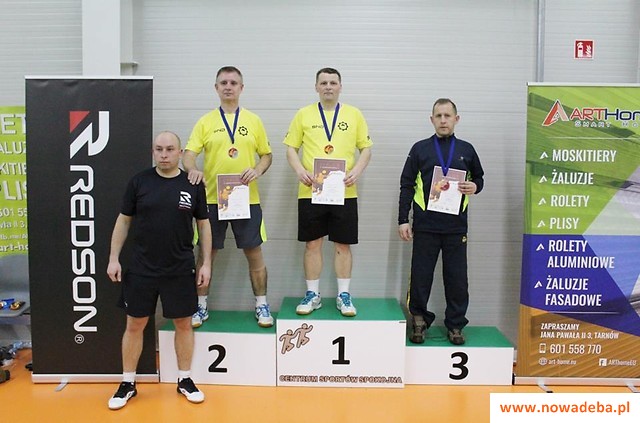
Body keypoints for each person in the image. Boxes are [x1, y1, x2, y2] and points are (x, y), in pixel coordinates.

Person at [106, 131, 212, 410]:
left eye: (170, 149)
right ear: (153, 151)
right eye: (159, 149)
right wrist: (113, 258)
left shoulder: (192, 184)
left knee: (183, 324)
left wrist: (206, 263)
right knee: (135, 324)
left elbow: (203, 225)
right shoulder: (139, 182)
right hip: (142, 269)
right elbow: (123, 221)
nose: (164, 154)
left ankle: (184, 379)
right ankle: (128, 383)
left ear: (180, 153)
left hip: (180, 268)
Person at [183, 66, 274, 328]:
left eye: (233, 83)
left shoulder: (253, 121)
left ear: (241, 88)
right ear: (216, 88)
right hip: (212, 200)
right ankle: (200, 306)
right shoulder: (205, 122)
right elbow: (188, 155)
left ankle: (262, 305)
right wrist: (193, 169)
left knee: (254, 252)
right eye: (223, 82)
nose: (228, 87)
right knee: (206, 254)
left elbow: (267, 155)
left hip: (246, 200)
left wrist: (257, 170)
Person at [284, 67, 372, 317]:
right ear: (316, 87)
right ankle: (313, 294)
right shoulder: (303, 114)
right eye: (323, 83)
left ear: (340, 86)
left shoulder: (354, 114)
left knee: (343, 244)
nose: (328, 87)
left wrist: (356, 171)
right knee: (313, 243)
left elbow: (366, 149)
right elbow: (290, 148)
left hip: (345, 191)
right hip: (311, 190)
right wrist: (300, 170)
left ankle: (344, 295)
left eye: (333, 82)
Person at [398, 98, 484, 345]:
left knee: (457, 279)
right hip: (425, 225)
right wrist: (403, 220)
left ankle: (455, 325)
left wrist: (475, 186)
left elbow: (479, 178)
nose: (443, 120)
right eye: (439, 116)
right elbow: (406, 185)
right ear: (432, 119)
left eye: (448, 116)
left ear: (456, 119)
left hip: (456, 228)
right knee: (420, 276)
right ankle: (419, 320)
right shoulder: (419, 149)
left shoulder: (467, 150)